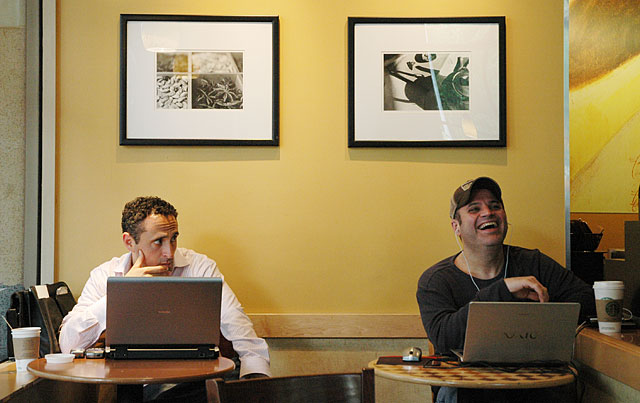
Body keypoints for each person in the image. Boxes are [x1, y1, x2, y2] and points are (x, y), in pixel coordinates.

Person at [59, 196, 270, 401]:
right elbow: (68, 343)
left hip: (192, 381)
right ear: (129, 242)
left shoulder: (200, 267)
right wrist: (125, 291)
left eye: (174, 238)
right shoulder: (104, 275)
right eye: (158, 242)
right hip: (130, 383)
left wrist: (255, 380)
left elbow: (237, 324)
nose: (169, 252)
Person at [416, 177, 595, 403]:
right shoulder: (436, 280)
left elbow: (585, 298)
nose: (488, 213)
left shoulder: (534, 263)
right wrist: (502, 290)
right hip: (469, 387)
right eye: (474, 209)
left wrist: (541, 312)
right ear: (456, 227)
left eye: (495, 206)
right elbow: (444, 337)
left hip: (535, 383)